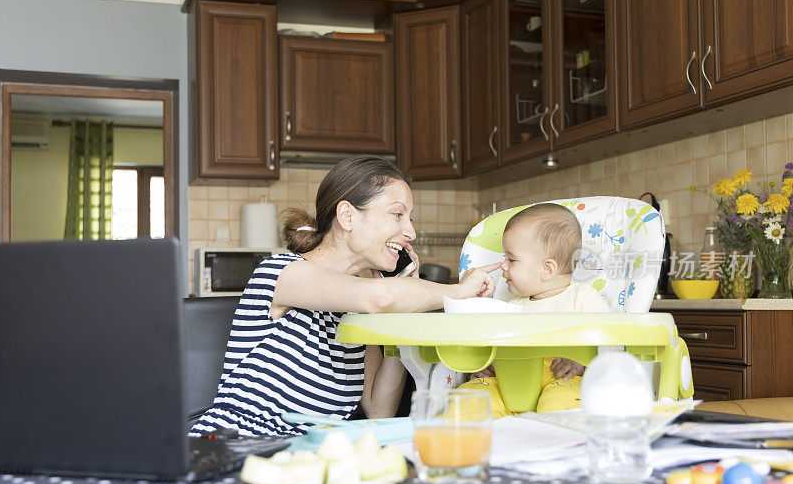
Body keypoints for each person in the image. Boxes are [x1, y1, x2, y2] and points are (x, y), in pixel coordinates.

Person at [190, 156, 499, 437]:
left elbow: (379, 408)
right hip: (235, 444)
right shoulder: (282, 273)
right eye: (397, 215)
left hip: (305, 460)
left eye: (410, 219)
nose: (410, 233)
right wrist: (459, 291)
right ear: (347, 216)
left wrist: (405, 311)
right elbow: (377, 298)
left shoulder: (358, 313)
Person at [460, 203, 611, 415]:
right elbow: (498, 345)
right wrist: (489, 365)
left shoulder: (582, 299)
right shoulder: (513, 303)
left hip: (563, 380)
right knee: (470, 398)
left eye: (511, 259)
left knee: (561, 405)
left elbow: (612, 346)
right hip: (510, 383)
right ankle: (481, 444)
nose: (503, 265)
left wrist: (582, 363)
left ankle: (551, 442)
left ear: (547, 269)